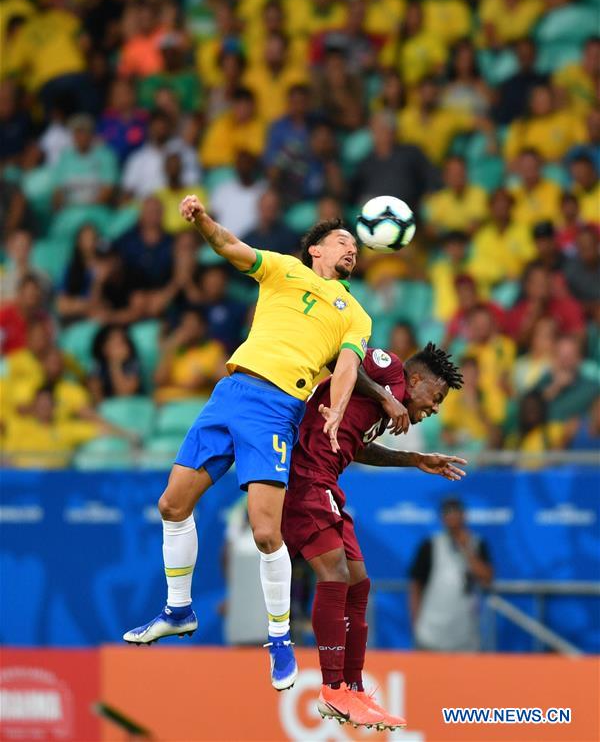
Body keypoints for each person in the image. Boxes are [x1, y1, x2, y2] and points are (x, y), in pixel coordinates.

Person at [124, 203, 396, 695]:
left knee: (267, 533)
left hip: (276, 408)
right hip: (228, 394)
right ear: (315, 249)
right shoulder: (284, 270)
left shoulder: (355, 313)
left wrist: (336, 407)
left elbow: (350, 367)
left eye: (355, 245)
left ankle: (278, 639)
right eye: (342, 241)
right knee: (171, 504)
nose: (352, 247)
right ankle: (178, 611)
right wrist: (201, 219)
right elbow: (230, 247)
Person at [282, 343, 465, 728]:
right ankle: (332, 689)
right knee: (335, 575)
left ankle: (353, 688)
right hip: (304, 475)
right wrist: (386, 396)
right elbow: (336, 356)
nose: (434, 409)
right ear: (415, 380)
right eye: (436, 397)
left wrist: (414, 460)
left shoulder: (384, 410)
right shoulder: (391, 371)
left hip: (326, 483)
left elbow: (359, 446)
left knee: (359, 584)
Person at [409, 498, 493, 652]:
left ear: (464, 516)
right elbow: (415, 586)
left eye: (456, 513)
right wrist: (416, 622)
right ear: (442, 518)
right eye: (448, 514)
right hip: (431, 630)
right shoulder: (430, 545)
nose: (452, 518)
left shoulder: (477, 544)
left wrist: (466, 549)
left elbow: (487, 578)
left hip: (465, 632)